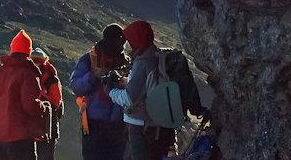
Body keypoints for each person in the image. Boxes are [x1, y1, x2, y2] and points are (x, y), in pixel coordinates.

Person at [111, 20, 205, 160]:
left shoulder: (142, 63)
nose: (127, 45)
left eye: (129, 41)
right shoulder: (158, 57)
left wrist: (111, 92)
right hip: (159, 128)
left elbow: (129, 98)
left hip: (141, 128)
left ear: (137, 41)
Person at [0, 30, 46, 160]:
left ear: (12, 49)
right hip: (20, 134)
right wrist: (43, 107)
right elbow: (30, 105)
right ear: (28, 51)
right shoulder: (28, 74)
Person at [69, 24, 130, 160]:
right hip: (93, 124)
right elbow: (76, 86)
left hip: (119, 125)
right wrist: (93, 76)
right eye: (119, 40)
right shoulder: (90, 59)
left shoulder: (126, 61)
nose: (121, 45)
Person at [29, 48, 62, 160]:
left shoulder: (51, 80)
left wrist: (42, 95)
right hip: (40, 128)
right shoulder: (51, 77)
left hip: (47, 128)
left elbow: (56, 101)